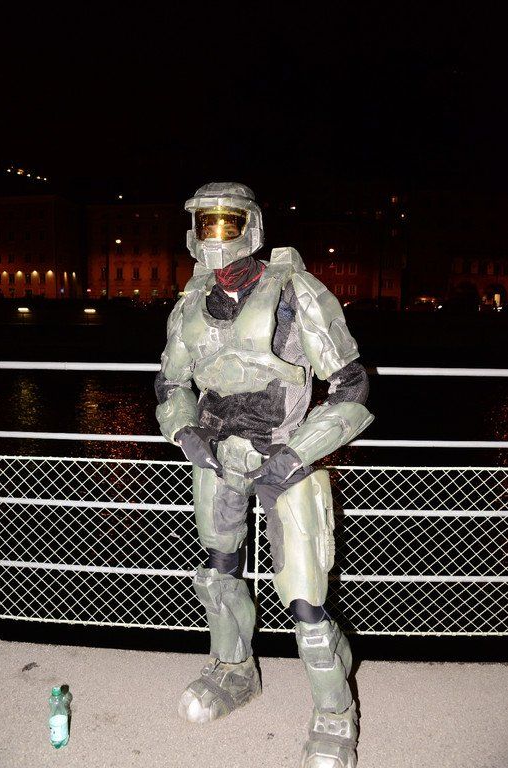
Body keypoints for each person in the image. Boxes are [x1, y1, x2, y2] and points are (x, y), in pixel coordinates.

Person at [155, 182, 374, 768]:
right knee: (218, 574)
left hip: (285, 456)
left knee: (305, 599)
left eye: (226, 222)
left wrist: (297, 454)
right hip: (217, 457)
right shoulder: (191, 301)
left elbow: (351, 386)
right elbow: (171, 384)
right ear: (191, 232)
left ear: (250, 226)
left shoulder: (295, 292)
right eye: (205, 223)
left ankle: (334, 710)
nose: (215, 235)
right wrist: (187, 434)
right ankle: (234, 671)